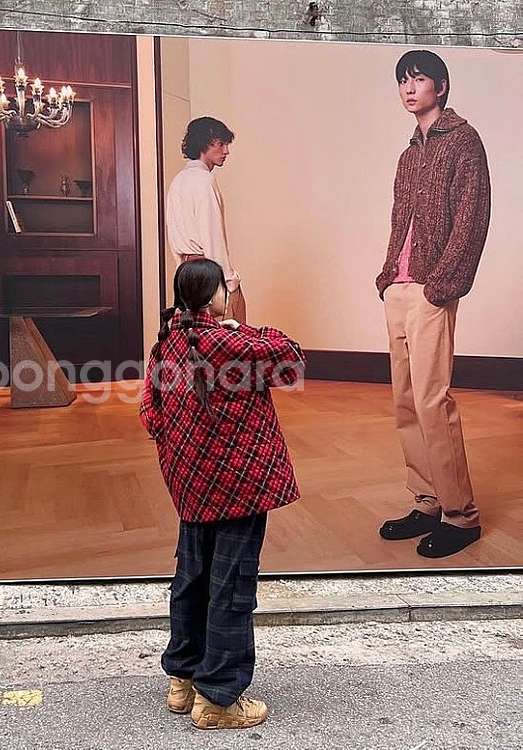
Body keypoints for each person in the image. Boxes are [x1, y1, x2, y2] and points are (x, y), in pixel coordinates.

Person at [139, 258, 304, 730]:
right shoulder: (230, 343)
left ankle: (183, 680)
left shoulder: (166, 342)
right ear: (214, 296)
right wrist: (247, 328)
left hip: (193, 485)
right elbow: (291, 361)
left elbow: (150, 414)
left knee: (191, 578)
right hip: (239, 486)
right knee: (230, 587)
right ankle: (218, 700)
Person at [375, 50, 491, 558]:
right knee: (405, 402)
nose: (408, 88)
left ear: (440, 86)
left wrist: (441, 284)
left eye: (418, 79)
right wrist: (387, 277)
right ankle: (427, 500)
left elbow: (472, 218)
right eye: (403, 80)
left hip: (431, 289)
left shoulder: (464, 141)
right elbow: (398, 220)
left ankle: (460, 515)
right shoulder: (408, 155)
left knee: (431, 401)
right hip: (399, 289)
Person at [166, 117, 247, 324]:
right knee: (232, 337)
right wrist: (230, 282)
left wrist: (181, 270)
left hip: (185, 274)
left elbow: (173, 233)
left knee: (192, 336)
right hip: (208, 274)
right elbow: (212, 237)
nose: (226, 151)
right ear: (203, 145)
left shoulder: (178, 181)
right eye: (220, 144)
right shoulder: (204, 181)